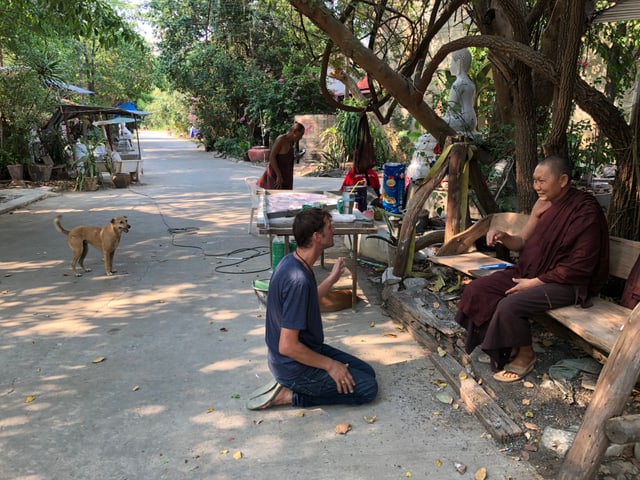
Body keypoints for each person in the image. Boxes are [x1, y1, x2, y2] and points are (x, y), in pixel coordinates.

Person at [455, 155, 609, 383]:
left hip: (566, 282)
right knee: (477, 290)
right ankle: (505, 346)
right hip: (531, 271)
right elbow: (522, 242)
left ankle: (526, 354)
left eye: (542, 181)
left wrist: (535, 283)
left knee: (511, 304)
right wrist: (504, 237)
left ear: (563, 180)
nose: (536, 186)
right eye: (534, 181)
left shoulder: (585, 211)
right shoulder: (542, 204)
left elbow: (580, 266)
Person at [247, 208, 378, 409]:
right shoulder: (298, 280)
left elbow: (308, 301)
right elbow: (287, 346)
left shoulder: (293, 261)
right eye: (329, 227)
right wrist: (330, 365)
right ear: (317, 237)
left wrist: (332, 279)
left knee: (367, 372)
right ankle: (288, 395)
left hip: (305, 350)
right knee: (368, 388)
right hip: (293, 367)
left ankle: (298, 383)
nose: (334, 230)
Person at [256, 121, 305, 190]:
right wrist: (278, 175)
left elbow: (285, 158)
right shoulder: (281, 140)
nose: (301, 138)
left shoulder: (292, 141)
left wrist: (298, 156)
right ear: (294, 132)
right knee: (275, 197)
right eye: (300, 135)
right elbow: (272, 157)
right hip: (276, 175)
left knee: (285, 198)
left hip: (286, 175)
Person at [442, 48, 478, 137]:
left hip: (464, 121)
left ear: (458, 63)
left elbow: (451, 108)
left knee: (438, 122)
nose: (450, 66)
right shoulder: (471, 83)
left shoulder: (458, 83)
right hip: (473, 120)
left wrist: (445, 119)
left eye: (452, 62)